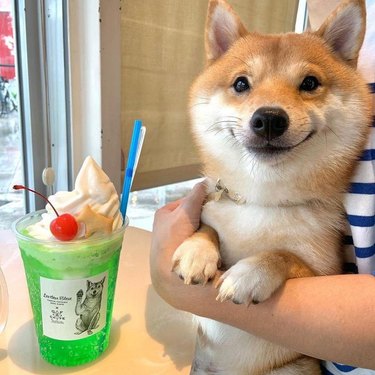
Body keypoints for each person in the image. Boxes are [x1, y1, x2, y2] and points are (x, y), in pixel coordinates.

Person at [151, 1, 375, 374]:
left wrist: (278, 265)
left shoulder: (320, 214)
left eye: (308, 84)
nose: (269, 110)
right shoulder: (220, 196)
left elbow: (321, 278)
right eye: (242, 84)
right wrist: (203, 238)